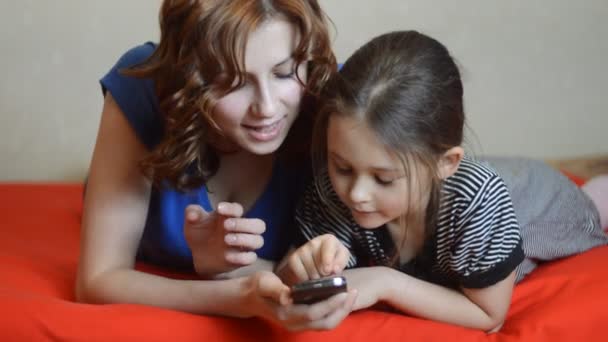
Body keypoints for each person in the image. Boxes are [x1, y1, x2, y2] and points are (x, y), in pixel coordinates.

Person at [276, 30, 608, 332]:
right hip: (471, 183)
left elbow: (489, 315)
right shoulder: (331, 193)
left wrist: (386, 282)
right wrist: (300, 267)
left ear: (445, 163)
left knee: (592, 206)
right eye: (343, 168)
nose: (357, 194)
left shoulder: (478, 201)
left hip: (540, 201)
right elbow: (292, 279)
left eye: (384, 178)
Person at [76, 0, 357, 330]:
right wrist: (238, 297)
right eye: (235, 82)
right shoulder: (146, 85)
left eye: (283, 73)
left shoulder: (330, 97)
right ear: (189, 78)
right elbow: (97, 280)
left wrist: (239, 272)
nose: (266, 108)